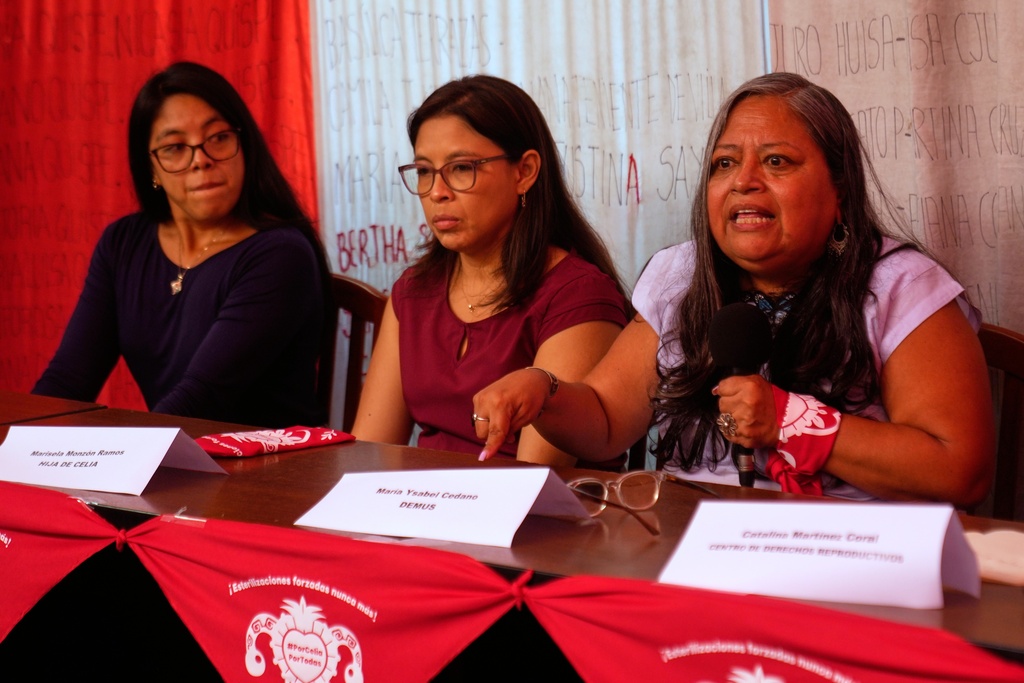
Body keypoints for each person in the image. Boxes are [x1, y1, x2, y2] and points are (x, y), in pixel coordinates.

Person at [472, 72, 995, 505]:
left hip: (851, 561)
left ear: (839, 189)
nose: (743, 180)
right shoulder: (682, 276)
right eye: (724, 164)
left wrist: (790, 420)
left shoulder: (899, 286)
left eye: (776, 161)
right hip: (693, 549)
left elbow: (959, 470)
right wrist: (545, 391)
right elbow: (606, 421)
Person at [33, 61, 333, 428]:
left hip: (268, 474)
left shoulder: (280, 254)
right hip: (169, 464)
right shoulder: (122, 244)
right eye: (175, 147)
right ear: (152, 169)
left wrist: (119, 460)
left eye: (218, 138)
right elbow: (67, 382)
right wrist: (16, 449)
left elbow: (200, 398)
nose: (201, 160)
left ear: (244, 145)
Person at [352, 75, 629, 467]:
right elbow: (370, 453)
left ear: (525, 171)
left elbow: (536, 479)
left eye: (461, 168)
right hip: (417, 510)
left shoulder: (578, 294)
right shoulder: (414, 291)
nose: (436, 192)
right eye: (424, 171)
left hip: (531, 520)